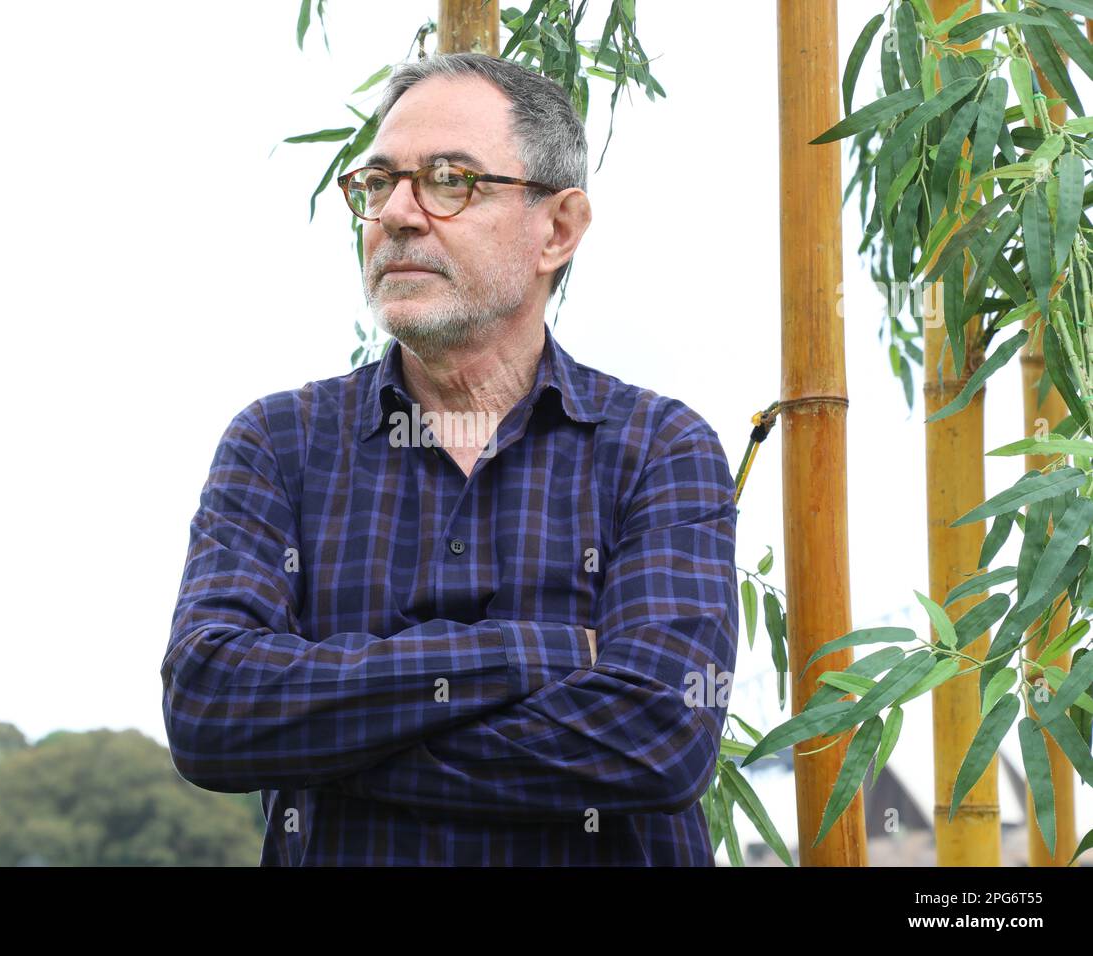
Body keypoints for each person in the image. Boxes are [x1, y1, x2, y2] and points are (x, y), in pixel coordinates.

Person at [161, 51, 738, 865]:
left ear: (557, 229)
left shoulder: (658, 447)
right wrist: (540, 652)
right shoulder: (277, 444)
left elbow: (659, 737)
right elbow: (212, 708)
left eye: (448, 180)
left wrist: (328, 745)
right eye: (378, 182)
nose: (396, 212)